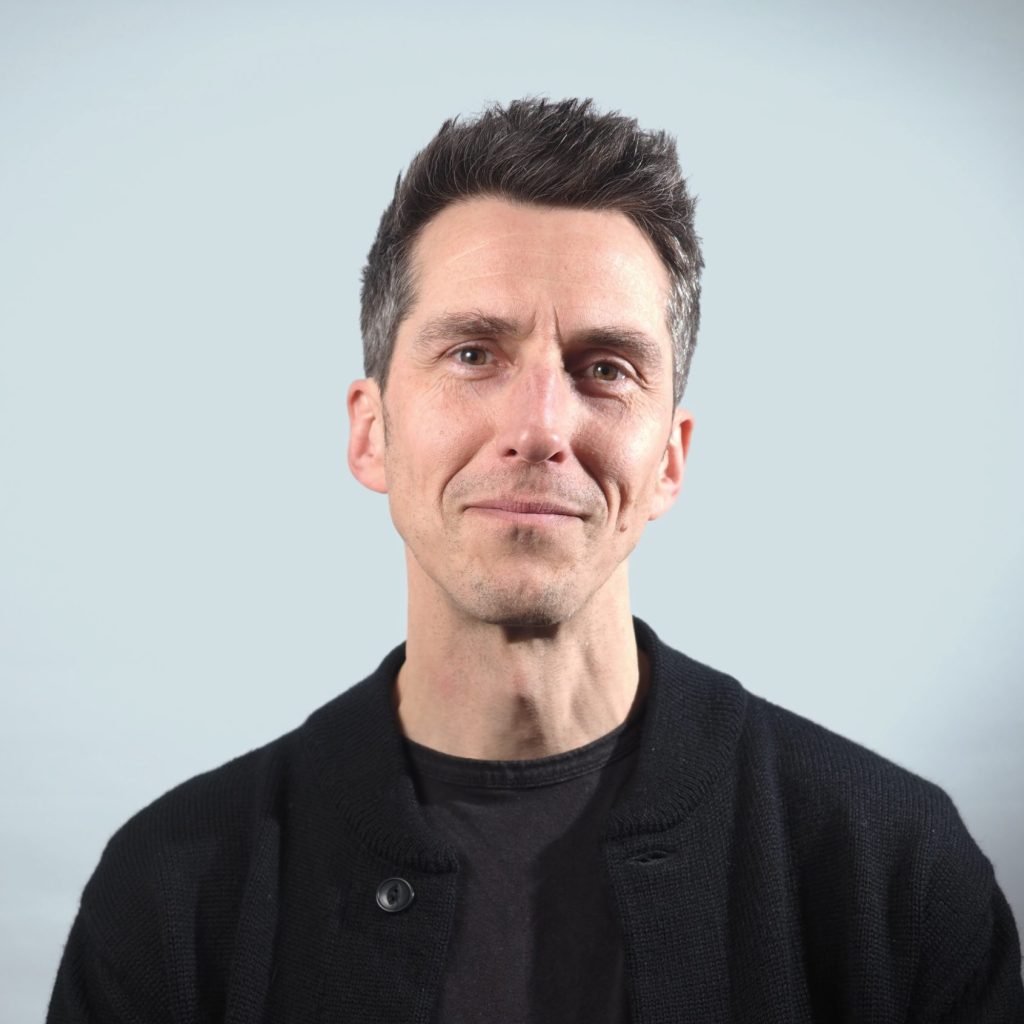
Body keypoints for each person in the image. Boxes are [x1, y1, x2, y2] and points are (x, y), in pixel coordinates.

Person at [47, 97, 1023, 1023]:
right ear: (371, 432)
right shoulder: (172, 896)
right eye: (473, 353)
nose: (539, 426)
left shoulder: (891, 869)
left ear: (670, 457)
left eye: (604, 367)